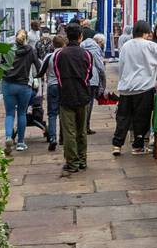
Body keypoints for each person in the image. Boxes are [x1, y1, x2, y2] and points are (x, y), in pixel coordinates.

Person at [114, 20, 157, 156]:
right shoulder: (149, 45)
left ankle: (117, 145)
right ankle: (137, 146)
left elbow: (121, 66)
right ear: (146, 32)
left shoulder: (126, 46)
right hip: (143, 88)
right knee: (141, 117)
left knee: (123, 117)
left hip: (126, 88)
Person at [53, 24, 95, 176]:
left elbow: (58, 76)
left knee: (69, 131)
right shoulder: (87, 54)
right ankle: (83, 160)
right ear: (80, 37)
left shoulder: (59, 55)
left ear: (66, 37)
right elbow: (89, 75)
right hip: (83, 95)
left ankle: (72, 163)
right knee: (81, 130)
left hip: (66, 96)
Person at [0, 29, 37, 152]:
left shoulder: (8, 50)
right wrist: (36, 78)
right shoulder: (30, 50)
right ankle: (21, 143)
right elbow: (38, 66)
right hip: (23, 86)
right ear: (26, 39)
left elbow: (0, 64)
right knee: (22, 113)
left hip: (8, 84)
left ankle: (8, 137)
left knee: (10, 113)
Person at [38, 33, 66, 152]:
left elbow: (40, 72)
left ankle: (52, 138)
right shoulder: (66, 55)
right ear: (64, 44)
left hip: (52, 86)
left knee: (52, 113)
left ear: (53, 45)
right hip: (64, 86)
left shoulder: (49, 56)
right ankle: (63, 138)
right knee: (64, 112)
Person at [81, 31, 107, 132]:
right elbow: (100, 66)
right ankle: (86, 126)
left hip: (83, 76)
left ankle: (83, 125)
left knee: (83, 103)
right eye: (102, 44)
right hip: (93, 78)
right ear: (99, 42)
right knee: (89, 103)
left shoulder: (82, 45)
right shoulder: (95, 48)